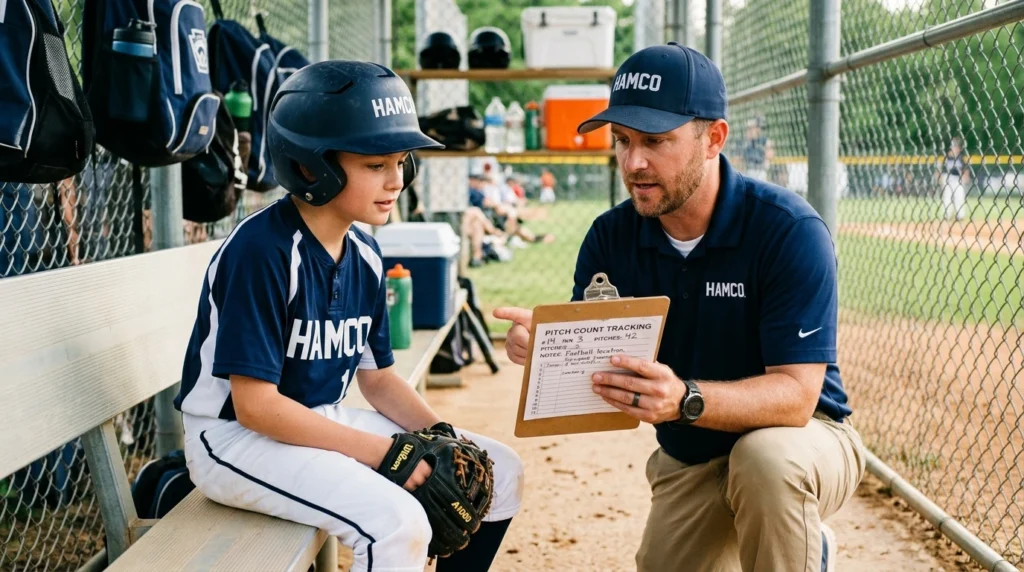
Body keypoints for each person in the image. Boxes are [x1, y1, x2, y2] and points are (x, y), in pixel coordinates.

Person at [494, 42, 864, 572]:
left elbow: (797, 398)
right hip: (691, 451)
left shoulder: (787, 231)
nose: (633, 162)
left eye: (655, 141)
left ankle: (798, 537)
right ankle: (788, 535)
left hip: (805, 439)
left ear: (713, 137)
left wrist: (684, 398)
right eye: (621, 141)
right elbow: (597, 375)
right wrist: (547, 349)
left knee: (765, 464)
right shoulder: (611, 238)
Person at [174, 61, 523, 572]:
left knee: (502, 471)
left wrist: (444, 433)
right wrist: (385, 455)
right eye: (375, 165)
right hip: (230, 440)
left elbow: (378, 380)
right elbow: (255, 408)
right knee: (398, 525)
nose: (396, 181)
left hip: (314, 422)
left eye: (402, 162)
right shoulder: (263, 251)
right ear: (313, 166)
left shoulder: (364, 252)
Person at [938, 136, 970, 221]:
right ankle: (947, 215)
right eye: (954, 147)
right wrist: (940, 177)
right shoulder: (947, 157)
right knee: (947, 197)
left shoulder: (961, 158)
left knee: (959, 197)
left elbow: (965, 168)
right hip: (947, 179)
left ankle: (960, 216)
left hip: (958, 179)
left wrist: (966, 176)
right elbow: (941, 168)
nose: (956, 149)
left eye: (957, 147)